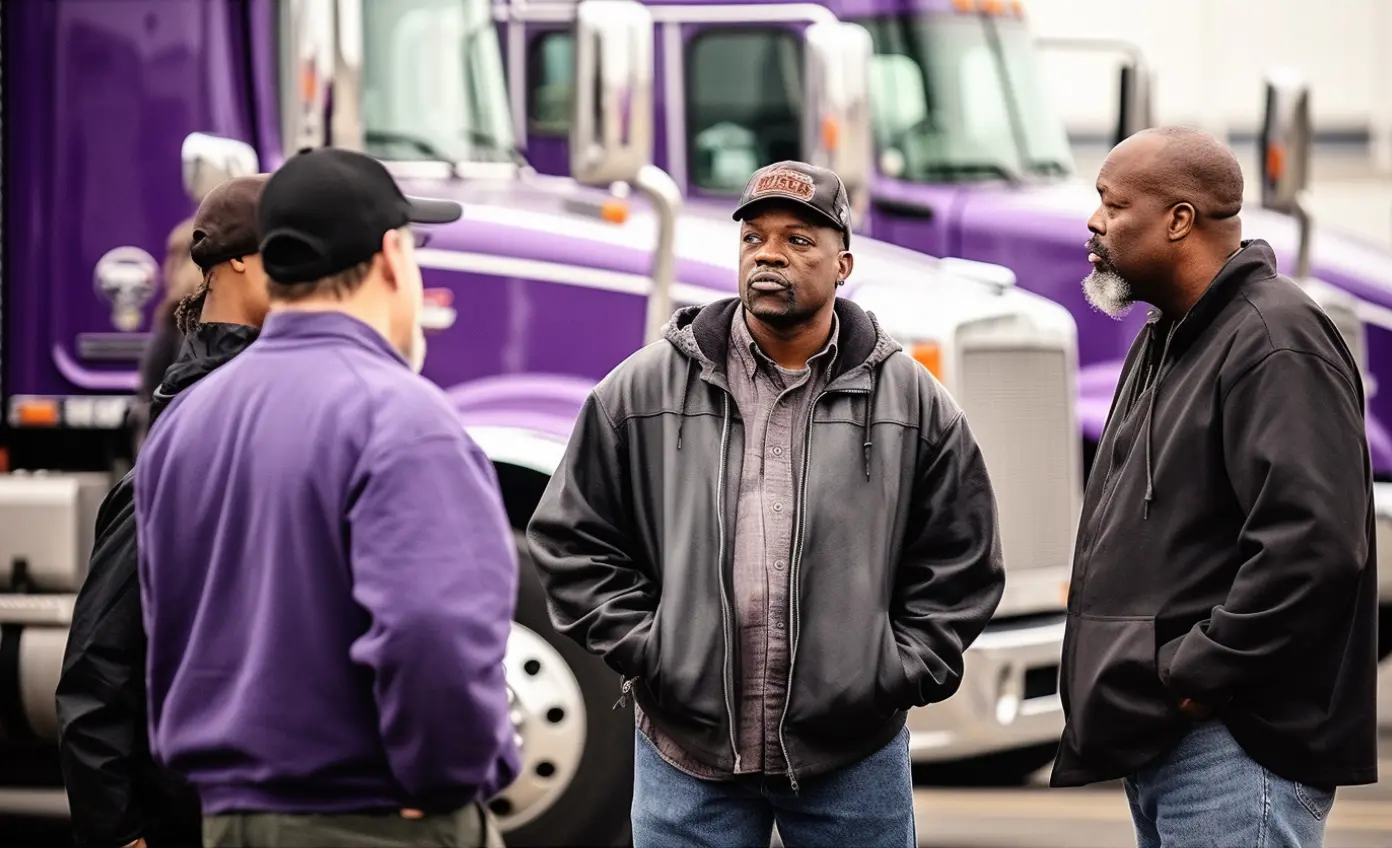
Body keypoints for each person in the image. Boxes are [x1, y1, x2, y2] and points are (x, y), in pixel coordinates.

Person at [526, 160, 1006, 847]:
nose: (771, 254)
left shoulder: (913, 403)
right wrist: (655, 653)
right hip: (686, 756)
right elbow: (573, 542)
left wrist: (892, 675)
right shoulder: (641, 390)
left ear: (843, 265)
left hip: (851, 758)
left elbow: (961, 564)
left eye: (799, 240)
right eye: (755, 238)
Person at [132, 147, 519, 848]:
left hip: (225, 819)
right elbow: (433, 631)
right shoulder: (400, 417)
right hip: (370, 819)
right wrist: (444, 779)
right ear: (391, 258)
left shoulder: (184, 421)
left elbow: (163, 625)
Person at [1051, 126, 1378, 847]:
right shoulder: (1169, 335)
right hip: (1170, 737)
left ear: (1177, 220)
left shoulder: (1273, 338)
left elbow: (1315, 546)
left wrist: (1197, 670)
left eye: (1112, 203)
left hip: (1233, 747)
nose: (1093, 222)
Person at [57, 173, 273, 848]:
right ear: (237, 259)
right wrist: (119, 832)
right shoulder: (200, 427)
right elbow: (99, 666)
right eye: (291, 253)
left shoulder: (269, 397)